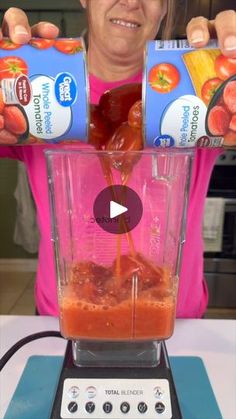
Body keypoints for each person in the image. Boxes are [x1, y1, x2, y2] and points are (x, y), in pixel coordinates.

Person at [0, 2, 235, 317]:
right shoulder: (36, 91)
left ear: (166, 6)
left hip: (174, 328)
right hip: (63, 325)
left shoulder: (195, 89)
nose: (131, 1)